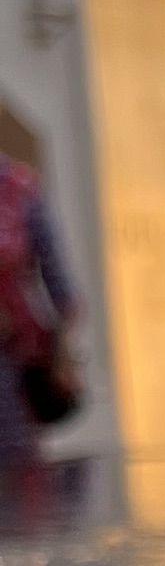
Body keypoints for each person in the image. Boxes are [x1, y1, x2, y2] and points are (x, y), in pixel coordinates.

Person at [0, 143, 85, 496]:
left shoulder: (18, 188)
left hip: (12, 354)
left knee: (14, 467)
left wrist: (64, 357)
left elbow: (59, 282)